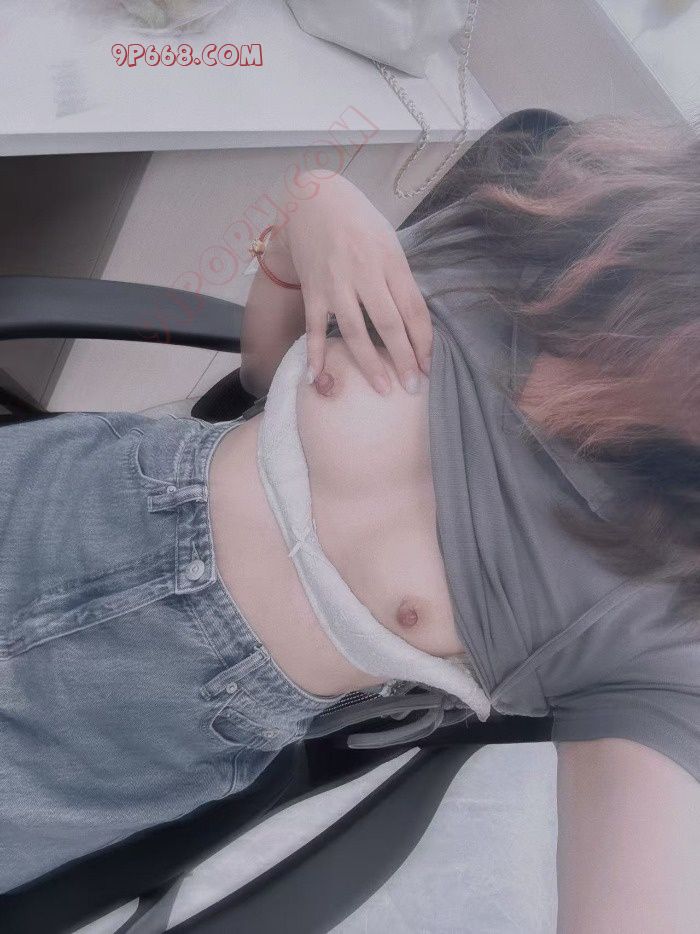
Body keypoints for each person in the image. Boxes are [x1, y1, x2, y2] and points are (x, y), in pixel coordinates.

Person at [0, 112, 698, 932]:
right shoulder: (535, 243)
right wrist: (311, 217)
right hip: (75, 486)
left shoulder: (664, 612)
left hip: (126, 727)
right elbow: (264, 375)